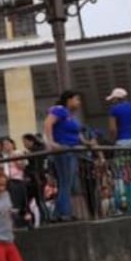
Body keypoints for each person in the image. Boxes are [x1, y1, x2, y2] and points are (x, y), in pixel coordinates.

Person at [43, 91, 88, 222]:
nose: (78, 103)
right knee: (65, 182)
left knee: (67, 182)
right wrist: (52, 143)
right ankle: (64, 213)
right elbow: (48, 124)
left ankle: (59, 213)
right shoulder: (60, 110)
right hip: (64, 150)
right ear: (69, 100)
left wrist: (85, 142)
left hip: (71, 150)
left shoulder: (70, 116)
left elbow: (76, 133)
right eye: (76, 99)